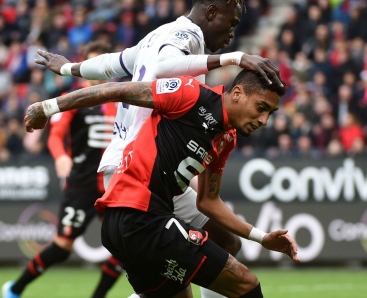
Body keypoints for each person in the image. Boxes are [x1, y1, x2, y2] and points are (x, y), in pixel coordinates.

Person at [34, 1, 284, 296]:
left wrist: (68, 67)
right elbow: (164, 68)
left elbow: (114, 63)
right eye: (231, 24)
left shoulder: (157, 35)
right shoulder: (188, 35)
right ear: (213, 12)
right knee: (174, 259)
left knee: (224, 244)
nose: (231, 34)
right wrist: (236, 58)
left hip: (149, 169)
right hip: (137, 167)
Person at [2, 41, 121, 298]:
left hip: (114, 187)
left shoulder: (122, 97)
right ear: (83, 67)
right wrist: (60, 157)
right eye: (92, 65)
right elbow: (56, 135)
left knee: (126, 247)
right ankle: (15, 289)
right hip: (81, 184)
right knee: (62, 246)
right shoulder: (72, 98)